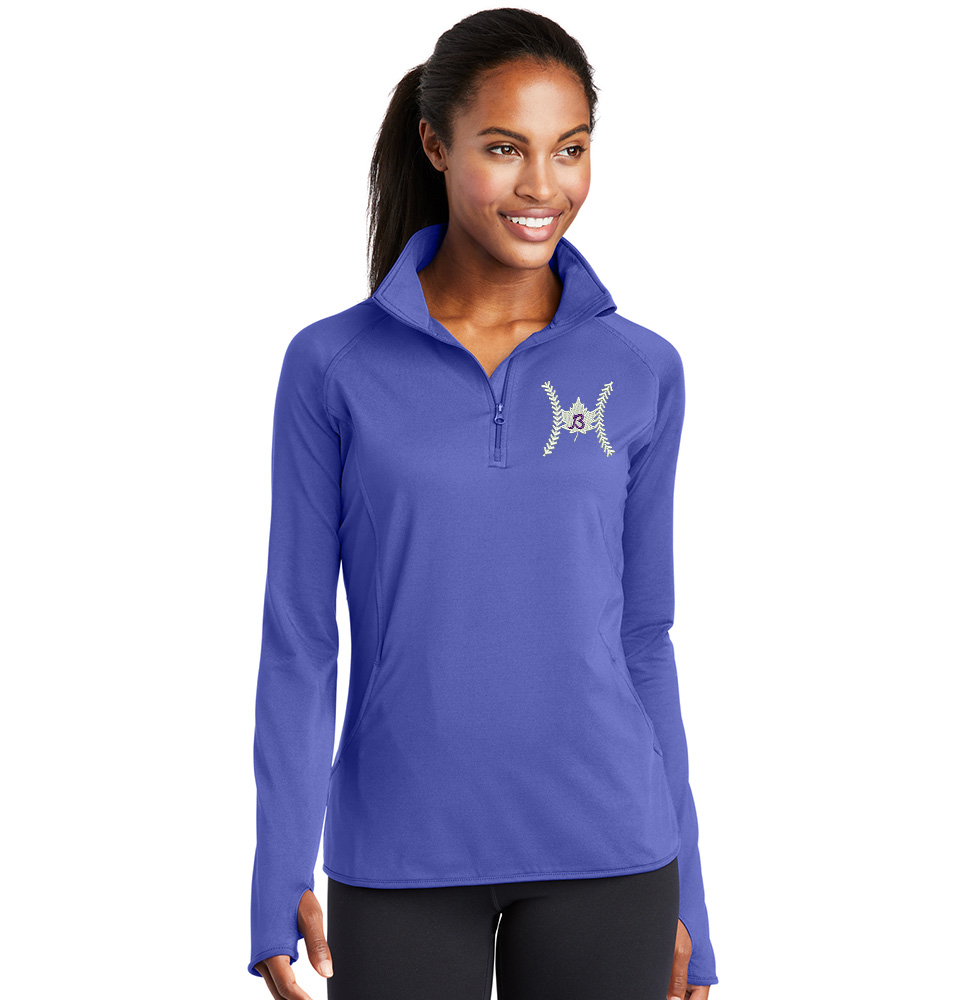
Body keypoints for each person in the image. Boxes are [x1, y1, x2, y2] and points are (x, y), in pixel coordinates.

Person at [248, 8, 719, 999]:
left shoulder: (642, 369)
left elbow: (645, 638)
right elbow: (300, 640)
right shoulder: (331, 365)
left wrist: (694, 903)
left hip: (611, 851)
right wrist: (279, 867)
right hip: (400, 851)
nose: (543, 185)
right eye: (505, 149)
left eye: (570, 149)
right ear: (436, 144)